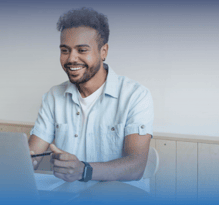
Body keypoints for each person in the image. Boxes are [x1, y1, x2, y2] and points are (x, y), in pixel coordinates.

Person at [28, 7, 154, 183]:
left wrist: (84, 170)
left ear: (104, 51)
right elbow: (31, 158)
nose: (71, 58)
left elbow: (135, 167)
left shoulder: (136, 96)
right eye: (65, 50)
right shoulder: (53, 96)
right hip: (67, 196)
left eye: (82, 50)